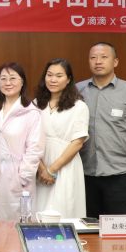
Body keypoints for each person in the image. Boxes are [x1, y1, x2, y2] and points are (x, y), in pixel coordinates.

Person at [77, 42, 126, 217]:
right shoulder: (77, 91)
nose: (98, 61)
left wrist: (120, 145)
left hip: (118, 172)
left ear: (115, 62)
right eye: (93, 57)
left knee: (117, 224)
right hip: (84, 171)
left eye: (104, 57)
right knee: (88, 224)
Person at [0, 63, 42, 220]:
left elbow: (35, 148)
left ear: (22, 82)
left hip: (17, 178)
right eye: (3, 79)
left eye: (13, 78)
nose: (8, 83)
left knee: (15, 222)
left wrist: (23, 176)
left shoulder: (31, 112)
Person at [34, 59, 89, 218]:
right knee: (38, 211)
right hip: (39, 164)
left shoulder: (79, 106)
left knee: (64, 209)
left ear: (68, 79)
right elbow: (29, 140)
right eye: (49, 75)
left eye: (59, 76)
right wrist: (42, 169)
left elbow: (77, 142)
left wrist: (51, 170)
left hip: (65, 164)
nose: (53, 79)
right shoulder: (36, 104)